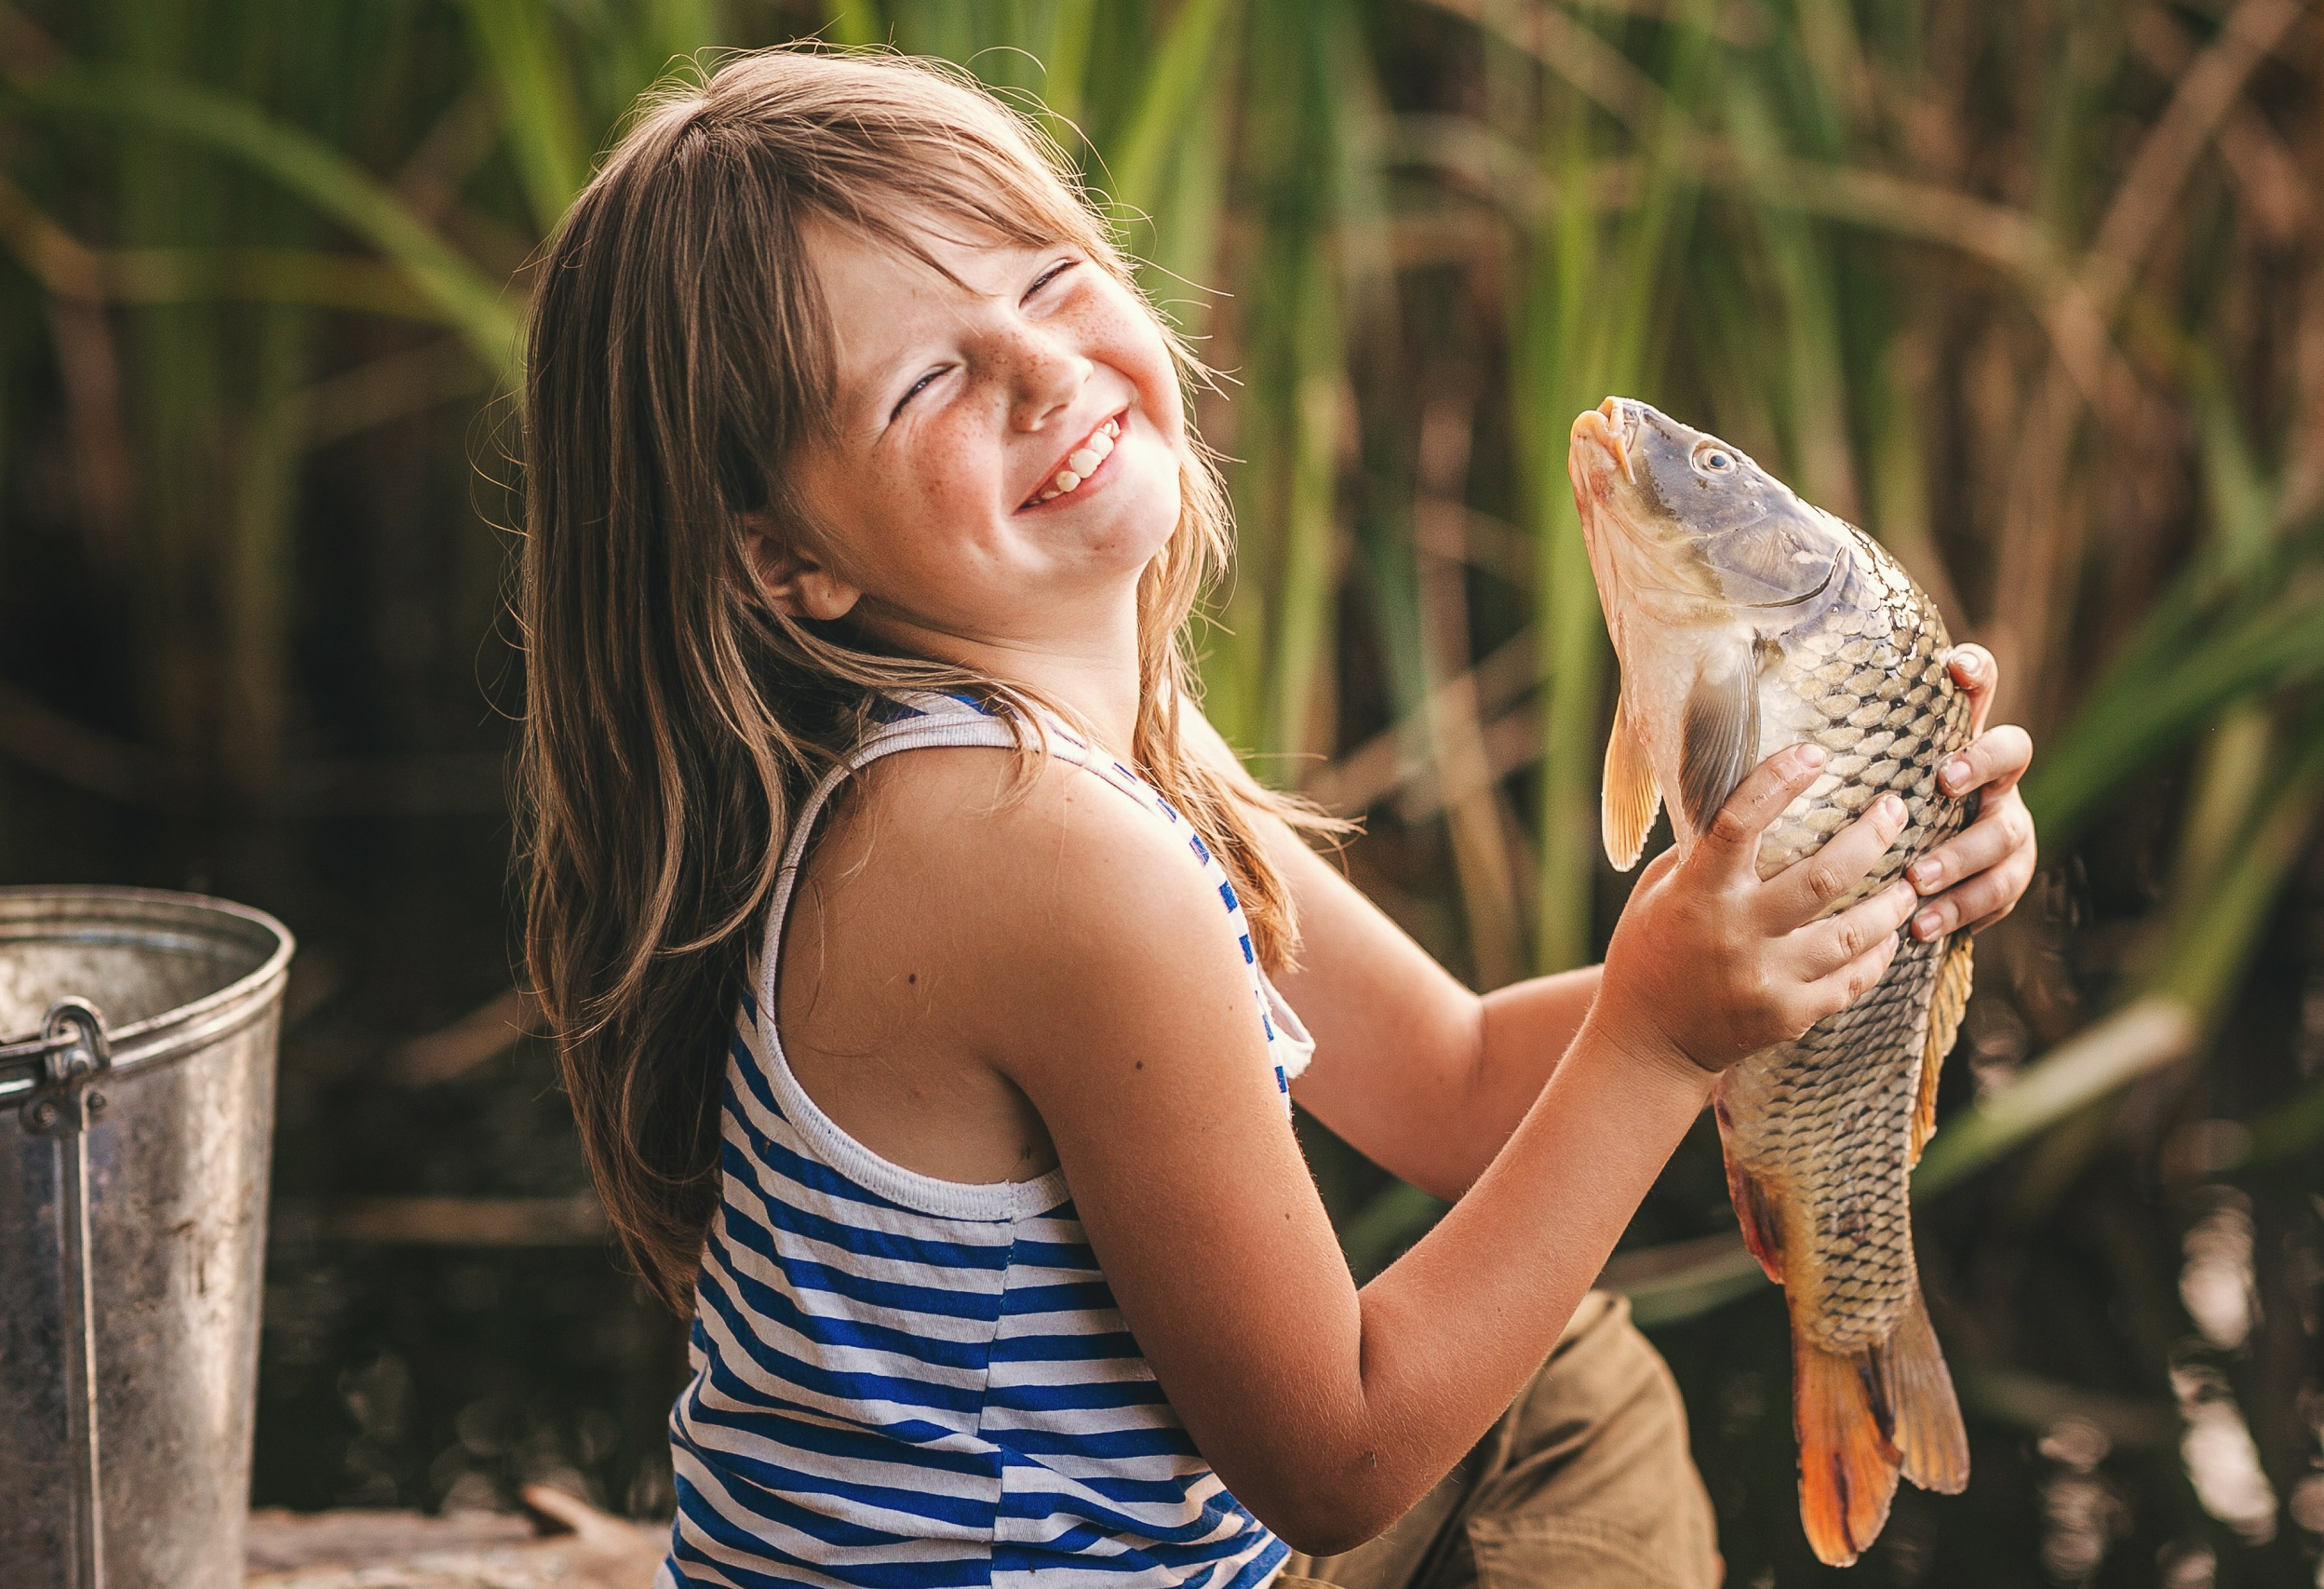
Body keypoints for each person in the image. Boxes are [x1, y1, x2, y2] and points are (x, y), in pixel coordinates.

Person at [515, 47, 2039, 1589]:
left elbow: (1451, 1084)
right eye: (927, 381)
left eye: (1046, 284)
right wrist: (1657, 1040)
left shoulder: (1057, 762)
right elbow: (1334, 1456)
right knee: (1569, 1421)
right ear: (784, 561)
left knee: (1568, 1383)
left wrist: (1822, 938)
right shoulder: (1030, 850)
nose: (1039, 371)